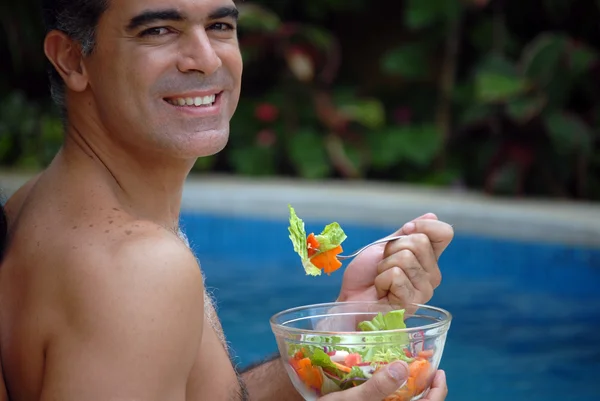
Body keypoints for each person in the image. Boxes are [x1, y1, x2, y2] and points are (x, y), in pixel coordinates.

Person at [0, 0, 454, 399]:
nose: (204, 57)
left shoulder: (36, 206)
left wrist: (336, 337)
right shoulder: (135, 268)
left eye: (220, 26)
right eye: (158, 30)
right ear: (72, 59)